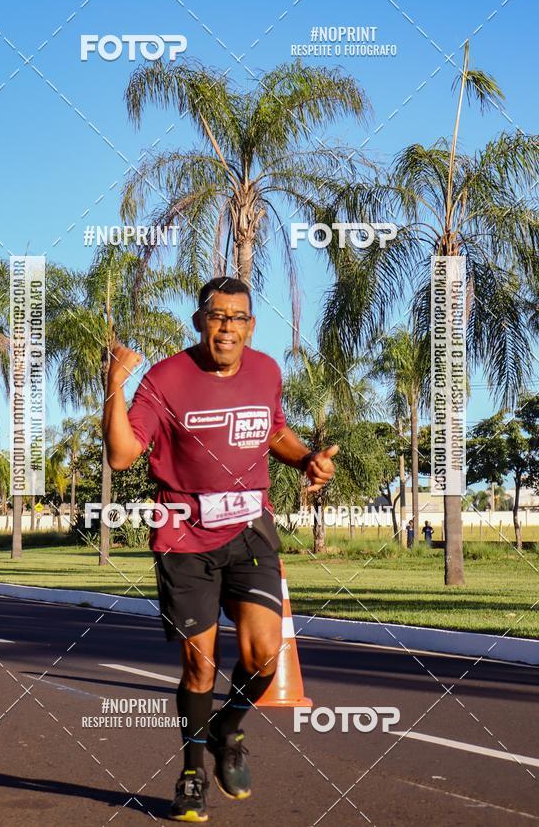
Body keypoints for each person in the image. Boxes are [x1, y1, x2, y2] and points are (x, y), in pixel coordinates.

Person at [103, 277, 337, 823]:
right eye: (217, 316)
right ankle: (191, 773)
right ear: (199, 321)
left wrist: (305, 459)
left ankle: (227, 729)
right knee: (200, 667)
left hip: (250, 528)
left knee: (263, 654)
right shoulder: (165, 379)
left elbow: (273, 431)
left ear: (251, 326)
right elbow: (120, 455)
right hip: (184, 536)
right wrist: (116, 384)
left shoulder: (265, 371)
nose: (227, 326)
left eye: (238, 317)